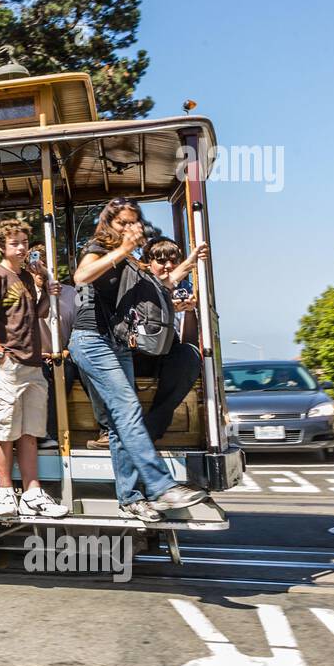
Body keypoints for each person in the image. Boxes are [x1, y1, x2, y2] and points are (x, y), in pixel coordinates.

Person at [68, 197, 211, 522]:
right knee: (128, 409)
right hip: (90, 339)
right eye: (123, 223)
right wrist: (121, 250)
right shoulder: (99, 247)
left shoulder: (132, 261)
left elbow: (160, 285)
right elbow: (81, 275)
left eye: (134, 222)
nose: (129, 228)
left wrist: (189, 262)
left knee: (121, 426)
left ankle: (130, 498)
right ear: (109, 225)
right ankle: (161, 487)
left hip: (117, 342)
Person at [0, 220, 68, 519]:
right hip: (8, 363)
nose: (22, 248)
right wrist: (0, 355)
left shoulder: (27, 276)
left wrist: (45, 288)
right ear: (2, 246)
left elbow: (39, 313)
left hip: (32, 361)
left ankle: (32, 492)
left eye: (25, 243)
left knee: (29, 431)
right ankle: (4, 492)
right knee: (5, 431)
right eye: (15, 243)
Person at [132, 237, 209, 441]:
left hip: (166, 359)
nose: (168, 266)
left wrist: (191, 312)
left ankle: (151, 427)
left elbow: (188, 342)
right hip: (140, 353)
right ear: (149, 264)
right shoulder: (141, 285)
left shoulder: (186, 288)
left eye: (173, 261)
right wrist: (165, 311)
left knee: (189, 355)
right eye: (161, 261)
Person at [30, 246, 79, 449]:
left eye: (45, 264)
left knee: (64, 371)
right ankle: (44, 434)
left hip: (64, 354)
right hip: (35, 356)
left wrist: (68, 350)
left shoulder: (72, 293)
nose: (40, 270)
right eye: (36, 265)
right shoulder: (25, 293)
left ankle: (58, 432)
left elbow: (81, 327)